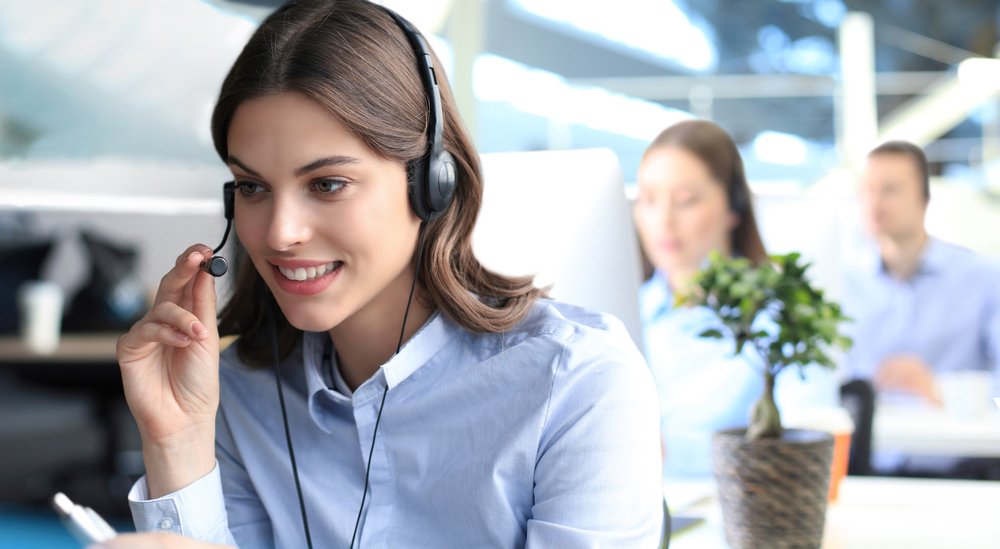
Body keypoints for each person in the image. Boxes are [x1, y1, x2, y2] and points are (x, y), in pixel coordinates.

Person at [107, 1, 663, 548]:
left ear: (430, 183)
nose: (278, 233)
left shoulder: (577, 383)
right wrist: (175, 440)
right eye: (252, 187)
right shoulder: (241, 397)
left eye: (327, 184)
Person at [633, 119, 834, 477]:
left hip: (741, 516)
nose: (663, 219)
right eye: (648, 200)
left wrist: (670, 454)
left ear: (733, 208)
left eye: (686, 200)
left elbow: (810, 446)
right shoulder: (620, 317)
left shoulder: (780, 317)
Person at [841, 140, 1000, 403]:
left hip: (953, 440)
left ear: (923, 198)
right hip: (867, 442)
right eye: (867, 190)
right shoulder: (843, 282)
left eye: (890, 190)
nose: (875, 202)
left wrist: (942, 388)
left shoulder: (984, 278)